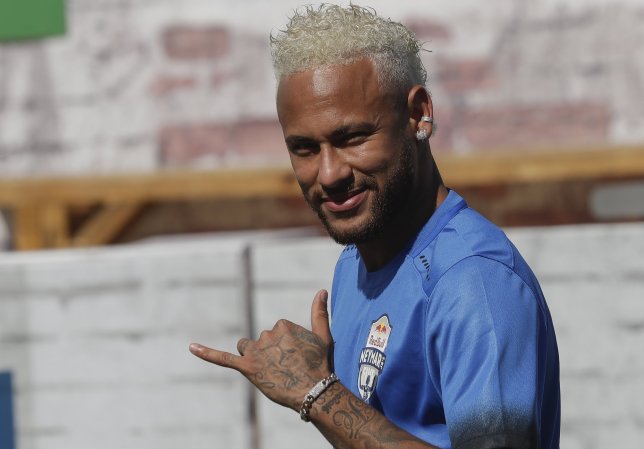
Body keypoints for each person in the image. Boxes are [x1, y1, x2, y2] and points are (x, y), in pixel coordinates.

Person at [189, 4, 560, 449]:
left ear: (418, 114)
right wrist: (327, 394)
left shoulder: (473, 281)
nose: (329, 173)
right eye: (304, 148)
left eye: (352, 138)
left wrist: (320, 395)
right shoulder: (355, 264)